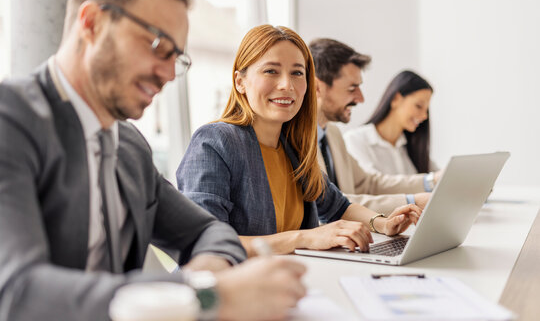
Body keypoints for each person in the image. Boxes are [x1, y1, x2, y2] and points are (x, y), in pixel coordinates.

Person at [0, 0, 306, 321]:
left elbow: (209, 231)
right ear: (92, 23)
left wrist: (204, 276)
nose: (166, 75)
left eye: (175, 58)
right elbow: (17, 292)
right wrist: (203, 297)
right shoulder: (12, 119)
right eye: (157, 44)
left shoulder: (128, 146)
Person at [177, 25, 422, 257]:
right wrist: (304, 238)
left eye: (297, 73)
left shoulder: (292, 146)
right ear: (240, 81)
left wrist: (383, 223)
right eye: (271, 71)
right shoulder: (214, 142)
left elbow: (338, 207)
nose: (287, 85)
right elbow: (207, 241)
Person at [309, 38, 440, 216]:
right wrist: (412, 201)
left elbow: (368, 183)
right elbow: (329, 205)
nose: (360, 98)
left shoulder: (332, 134)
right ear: (317, 87)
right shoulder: (294, 140)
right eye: (352, 88)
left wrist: (431, 181)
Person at [344, 70, 438, 175]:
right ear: (396, 99)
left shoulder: (413, 147)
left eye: (426, 110)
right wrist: (427, 181)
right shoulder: (355, 140)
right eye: (419, 106)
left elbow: (440, 177)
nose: (425, 116)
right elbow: (372, 185)